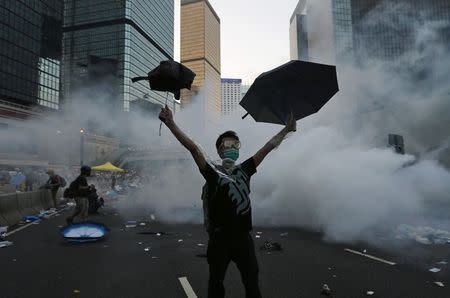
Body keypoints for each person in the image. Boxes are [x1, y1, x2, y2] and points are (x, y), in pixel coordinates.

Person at [159, 105, 296, 298]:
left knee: (252, 283)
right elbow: (193, 148)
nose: (232, 147)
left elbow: (268, 147)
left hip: (243, 238)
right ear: (219, 149)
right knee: (216, 284)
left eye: (236, 144)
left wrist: (286, 130)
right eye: (228, 143)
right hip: (219, 240)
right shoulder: (212, 172)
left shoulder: (245, 170)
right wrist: (171, 123)